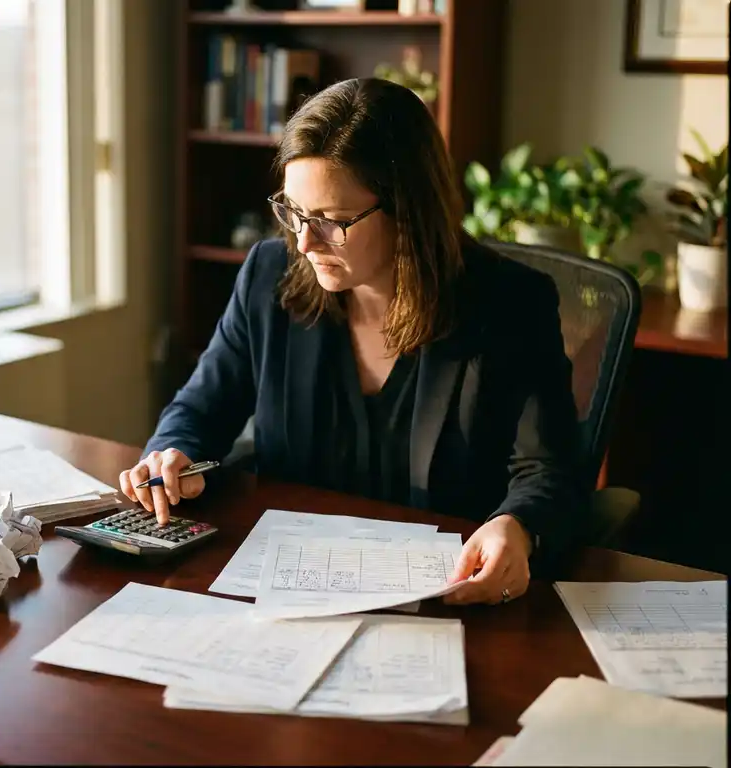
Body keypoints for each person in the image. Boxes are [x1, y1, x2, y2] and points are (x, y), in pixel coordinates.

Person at [119, 78, 584, 606]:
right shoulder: (268, 276)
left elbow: (550, 469)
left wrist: (517, 526)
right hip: (286, 589)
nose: (303, 241)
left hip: (446, 596)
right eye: (292, 211)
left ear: (408, 210)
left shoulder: (509, 303)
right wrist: (172, 456)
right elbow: (199, 409)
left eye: (332, 221)